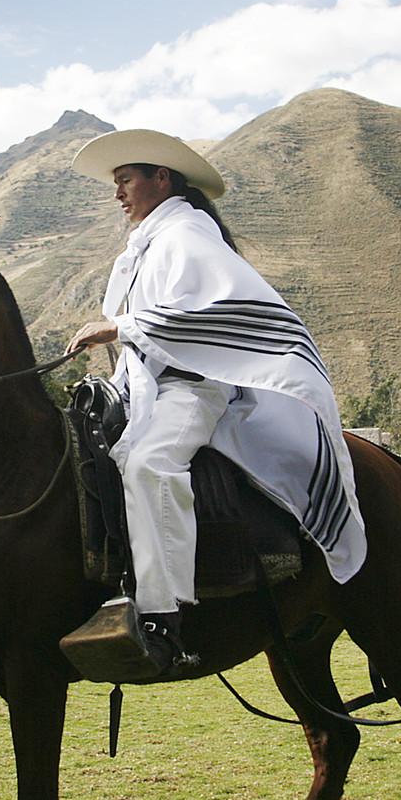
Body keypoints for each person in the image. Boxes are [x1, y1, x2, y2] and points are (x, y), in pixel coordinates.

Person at [62, 129, 366, 679]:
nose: (118, 194)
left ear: (162, 178)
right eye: (116, 183)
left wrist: (120, 326)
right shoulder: (147, 244)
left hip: (192, 388)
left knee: (151, 462)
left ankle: (162, 616)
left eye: (125, 180)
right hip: (150, 387)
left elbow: (218, 312)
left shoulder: (187, 233)